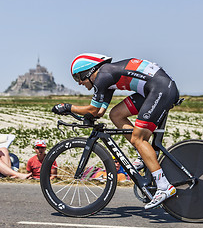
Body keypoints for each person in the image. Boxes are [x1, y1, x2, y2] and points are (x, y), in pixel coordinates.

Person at [52, 53, 179, 209]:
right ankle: (143, 154)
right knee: (116, 114)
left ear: (89, 72)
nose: (79, 83)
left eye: (79, 77)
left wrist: (67, 107)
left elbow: (93, 108)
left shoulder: (103, 76)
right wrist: (87, 116)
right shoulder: (107, 78)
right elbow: (99, 112)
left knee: (138, 139)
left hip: (160, 90)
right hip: (154, 89)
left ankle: (164, 186)